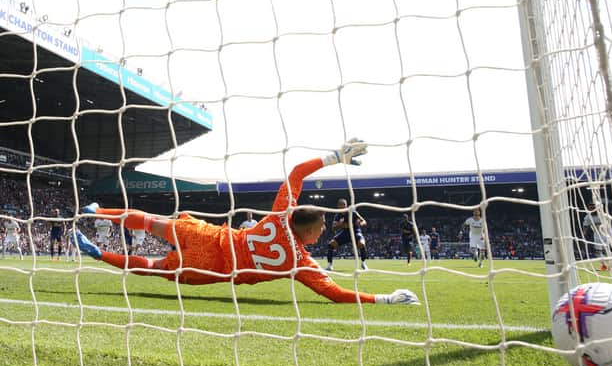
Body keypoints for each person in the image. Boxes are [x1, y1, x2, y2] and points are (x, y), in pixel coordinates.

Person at [74, 138, 419, 305]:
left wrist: (335, 157)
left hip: (210, 235)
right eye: (321, 228)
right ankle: (99, 254)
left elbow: (297, 172)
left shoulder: (282, 215)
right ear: (308, 230)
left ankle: (96, 211)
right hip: (212, 267)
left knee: (151, 222)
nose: (323, 231)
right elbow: (335, 293)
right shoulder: (300, 262)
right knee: (152, 265)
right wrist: (386, 298)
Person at [325, 198, 369, 271]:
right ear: (338, 206)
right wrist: (341, 224)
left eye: (344, 204)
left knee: (362, 244)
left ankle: (363, 263)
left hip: (356, 231)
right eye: (340, 204)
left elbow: (364, 221)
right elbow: (333, 228)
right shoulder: (338, 215)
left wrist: (360, 223)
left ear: (346, 205)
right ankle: (329, 265)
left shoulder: (353, 212)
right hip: (346, 233)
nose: (342, 206)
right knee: (331, 244)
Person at [582, 201, 612, 271]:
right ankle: (604, 264)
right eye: (590, 208)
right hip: (597, 235)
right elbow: (585, 226)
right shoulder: (588, 217)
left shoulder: (603, 215)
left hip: (606, 234)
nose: (592, 209)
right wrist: (584, 234)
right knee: (598, 253)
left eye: (593, 207)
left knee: (607, 251)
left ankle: (611, 265)